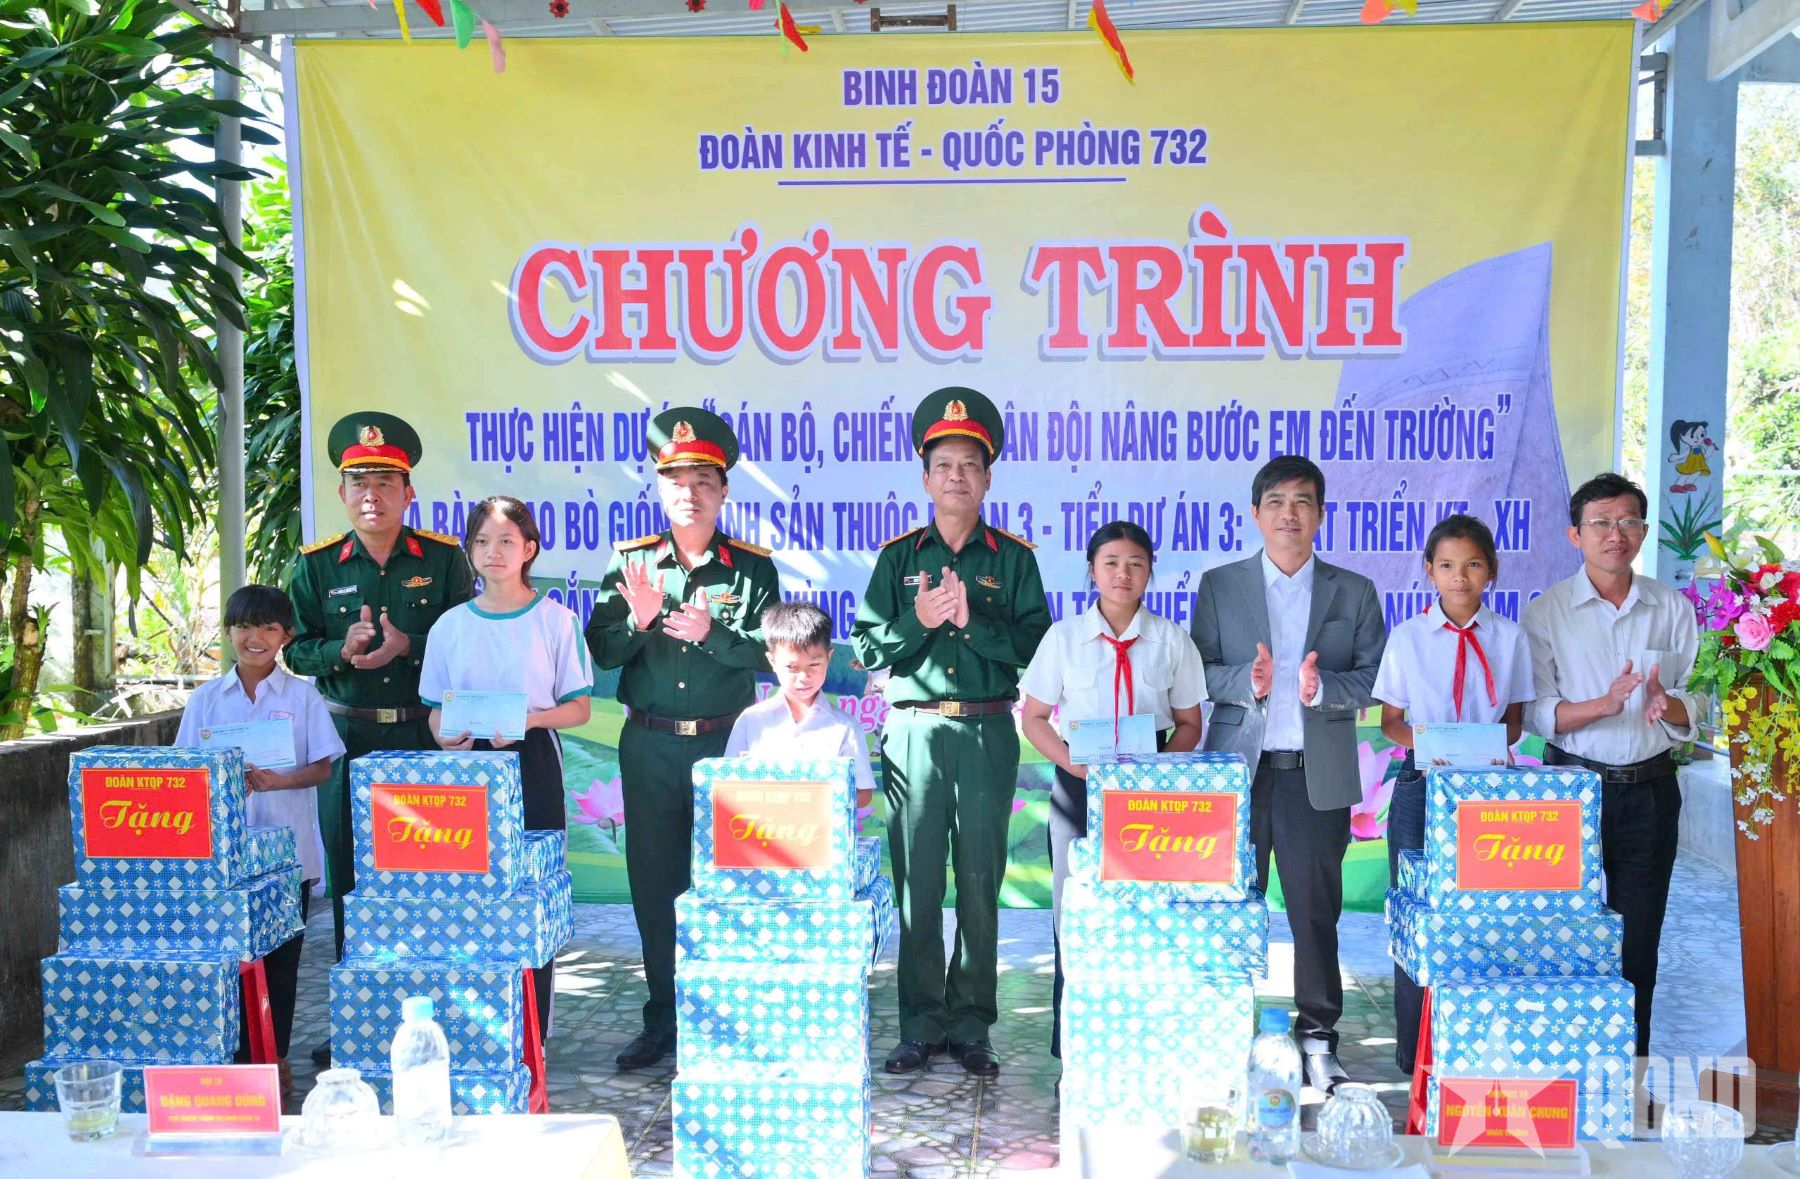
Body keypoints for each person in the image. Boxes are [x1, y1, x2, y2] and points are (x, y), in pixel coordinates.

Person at [852, 386, 1051, 1079]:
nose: (957, 476)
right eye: (944, 465)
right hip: (914, 734)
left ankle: (971, 1024)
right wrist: (922, 619)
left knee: (978, 879)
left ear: (988, 478)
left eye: (970, 464)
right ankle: (919, 1023)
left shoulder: (1014, 560)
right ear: (925, 478)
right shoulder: (898, 558)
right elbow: (867, 648)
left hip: (988, 732)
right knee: (915, 882)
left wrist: (972, 622)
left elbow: (1037, 649)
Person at [584, 408, 779, 1071]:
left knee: (729, 885)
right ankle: (664, 1017)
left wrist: (711, 634)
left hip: (727, 748)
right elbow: (601, 651)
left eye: (703, 481)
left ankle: (724, 1016)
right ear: (659, 489)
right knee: (656, 886)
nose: (689, 493)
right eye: (676, 481)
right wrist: (639, 622)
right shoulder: (631, 562)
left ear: (723, 492)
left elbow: (770, 654)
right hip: (651, 747)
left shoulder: (751, 569)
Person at [1189, 454, 1386, 1094]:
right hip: (1238, 777)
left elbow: (1373, 677)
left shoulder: (1352, 591)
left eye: (1303, 502)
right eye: (1275, 502)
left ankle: (1318, 1036)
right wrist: (1247, 681)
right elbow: (1198, 671)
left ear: (1321, 514)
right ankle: (1223, 1033)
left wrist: (1320, 687)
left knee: (1314, 914)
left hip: (1313, 777)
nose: (1289, 514)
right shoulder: (1220, 585)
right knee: (1228, 910)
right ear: (1256, 513)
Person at [286, 412, 474, 1068]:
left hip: (424, 738)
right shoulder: (314, 566)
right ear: (342, 493)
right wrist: (341, 650)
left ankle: (439, 1016)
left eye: (386, 482)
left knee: (432, 877)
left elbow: (467, 638)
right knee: (352, 882)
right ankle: (357, 1018)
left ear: (408, 492)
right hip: (349, 737)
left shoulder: (444, 559)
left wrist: (408, 646)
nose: (372, 494)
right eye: (359, 482)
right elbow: (295, 650)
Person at [1522, 472, 1702, 1067]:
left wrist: (1669, 705)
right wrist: (1601, 704)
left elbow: (1701, 697)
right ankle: (1560, 1065)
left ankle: (1629, 1073)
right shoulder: (1547, 612)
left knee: (1638, 940)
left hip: (1650, 792)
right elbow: (1537, 711)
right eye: (1600, 523)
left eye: (1627, 522)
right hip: (1570, 792)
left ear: (1643, 532)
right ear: (1575, 534)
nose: (1614, 534)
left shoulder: (1672, 608)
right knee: (1563, 933)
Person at [1019, 520, 1206, 1060]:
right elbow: (1034, 718)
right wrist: (1072, 765)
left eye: (1135, 564)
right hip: (1078, 788)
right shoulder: (1064, 638)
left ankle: (1142, 1036)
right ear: (1092, 571)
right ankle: (1073, 1040)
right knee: (1075, 912)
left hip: (1150, 795)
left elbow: (1189, 724)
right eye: (1111, 563)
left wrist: (1153, 776)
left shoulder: (1171, 639)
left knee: (1147, 912)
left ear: (1150, 572)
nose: (1123, 574)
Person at [419, 496, 593, 1042]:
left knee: (530, 892)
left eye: (506, 542)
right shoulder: (449, 625)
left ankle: (532, 1032)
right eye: (481, 542)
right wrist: (444, 736)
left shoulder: (556, 620)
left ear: (529, 549)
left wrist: (530, 719)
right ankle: (473, 1027)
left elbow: (579, 708)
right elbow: (435, 710)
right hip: (466, 769)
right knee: (465, 893)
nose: (492, 552)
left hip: (532, 759)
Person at [1372, 513, 1535, 1076]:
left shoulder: (1511, 638)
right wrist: (1432, 746)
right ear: (1429, 571)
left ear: (1491, 570)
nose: (1459, 577)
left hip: (1488, 790)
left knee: (1483, 915)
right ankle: (1412, 1053)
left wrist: (1478, 747)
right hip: (1422, 784)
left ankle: (1473, 1047)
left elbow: (1514, 721)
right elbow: (1391, 722)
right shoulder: (1408, 638)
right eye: (1446, 565)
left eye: (1472, 564)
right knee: (1416, 914)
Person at [176, 584, 345, 1093]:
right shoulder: (206, 700)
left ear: (286, 635)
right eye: (245, 627)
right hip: (225, 858)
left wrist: (277, 781)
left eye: (269, 628)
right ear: (229, 632)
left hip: (288, 855)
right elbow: (185, 771)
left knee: (281, 963)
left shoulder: (303, 696)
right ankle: (229, 1058)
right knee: (226, 960)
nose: (256, 638)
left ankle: (273, 1058)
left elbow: (322, 768)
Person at [723, 600, 877, 813]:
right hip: (763, 830)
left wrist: (808, 802)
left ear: (829, 657)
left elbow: (863, 793)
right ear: (772, 661)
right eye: (792, 667)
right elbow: (727, 785)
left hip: (821, 831)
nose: (804, 677)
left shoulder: (845, 726)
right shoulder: (751, 721)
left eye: (814, 664)